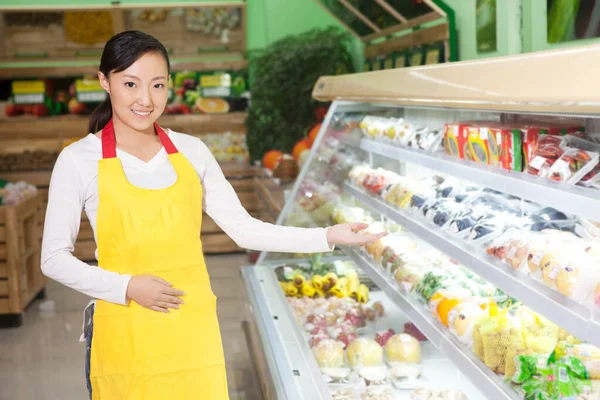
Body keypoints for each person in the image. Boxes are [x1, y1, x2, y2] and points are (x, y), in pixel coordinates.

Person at [40, 30, 387, 400]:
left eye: (157, 85)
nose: (145, 99)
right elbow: (53, 259)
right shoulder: (79, 160)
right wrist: (126, 287)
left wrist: (327, 237)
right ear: (104, 82)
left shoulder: (193, 151)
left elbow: (243, 229)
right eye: (130, 84)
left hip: (191, 329)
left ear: (169, 85)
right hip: (126, 327)